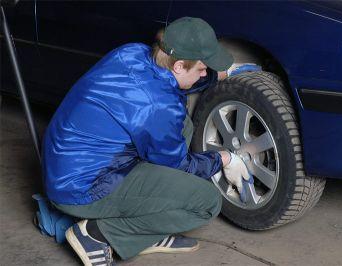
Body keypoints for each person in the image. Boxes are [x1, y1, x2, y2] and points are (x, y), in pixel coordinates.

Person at [42, 17, 259, 265]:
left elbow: (161, 85)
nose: (204, 73)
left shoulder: (132, 52)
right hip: (83, 188)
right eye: (202, 68)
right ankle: (96, 234)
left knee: (182, 125)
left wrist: (218, 75)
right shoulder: (158, 107)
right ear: (178, 66)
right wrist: (224, 159)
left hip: (66, 165)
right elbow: (180, 164)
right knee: (207, 202)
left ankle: (142, 233)